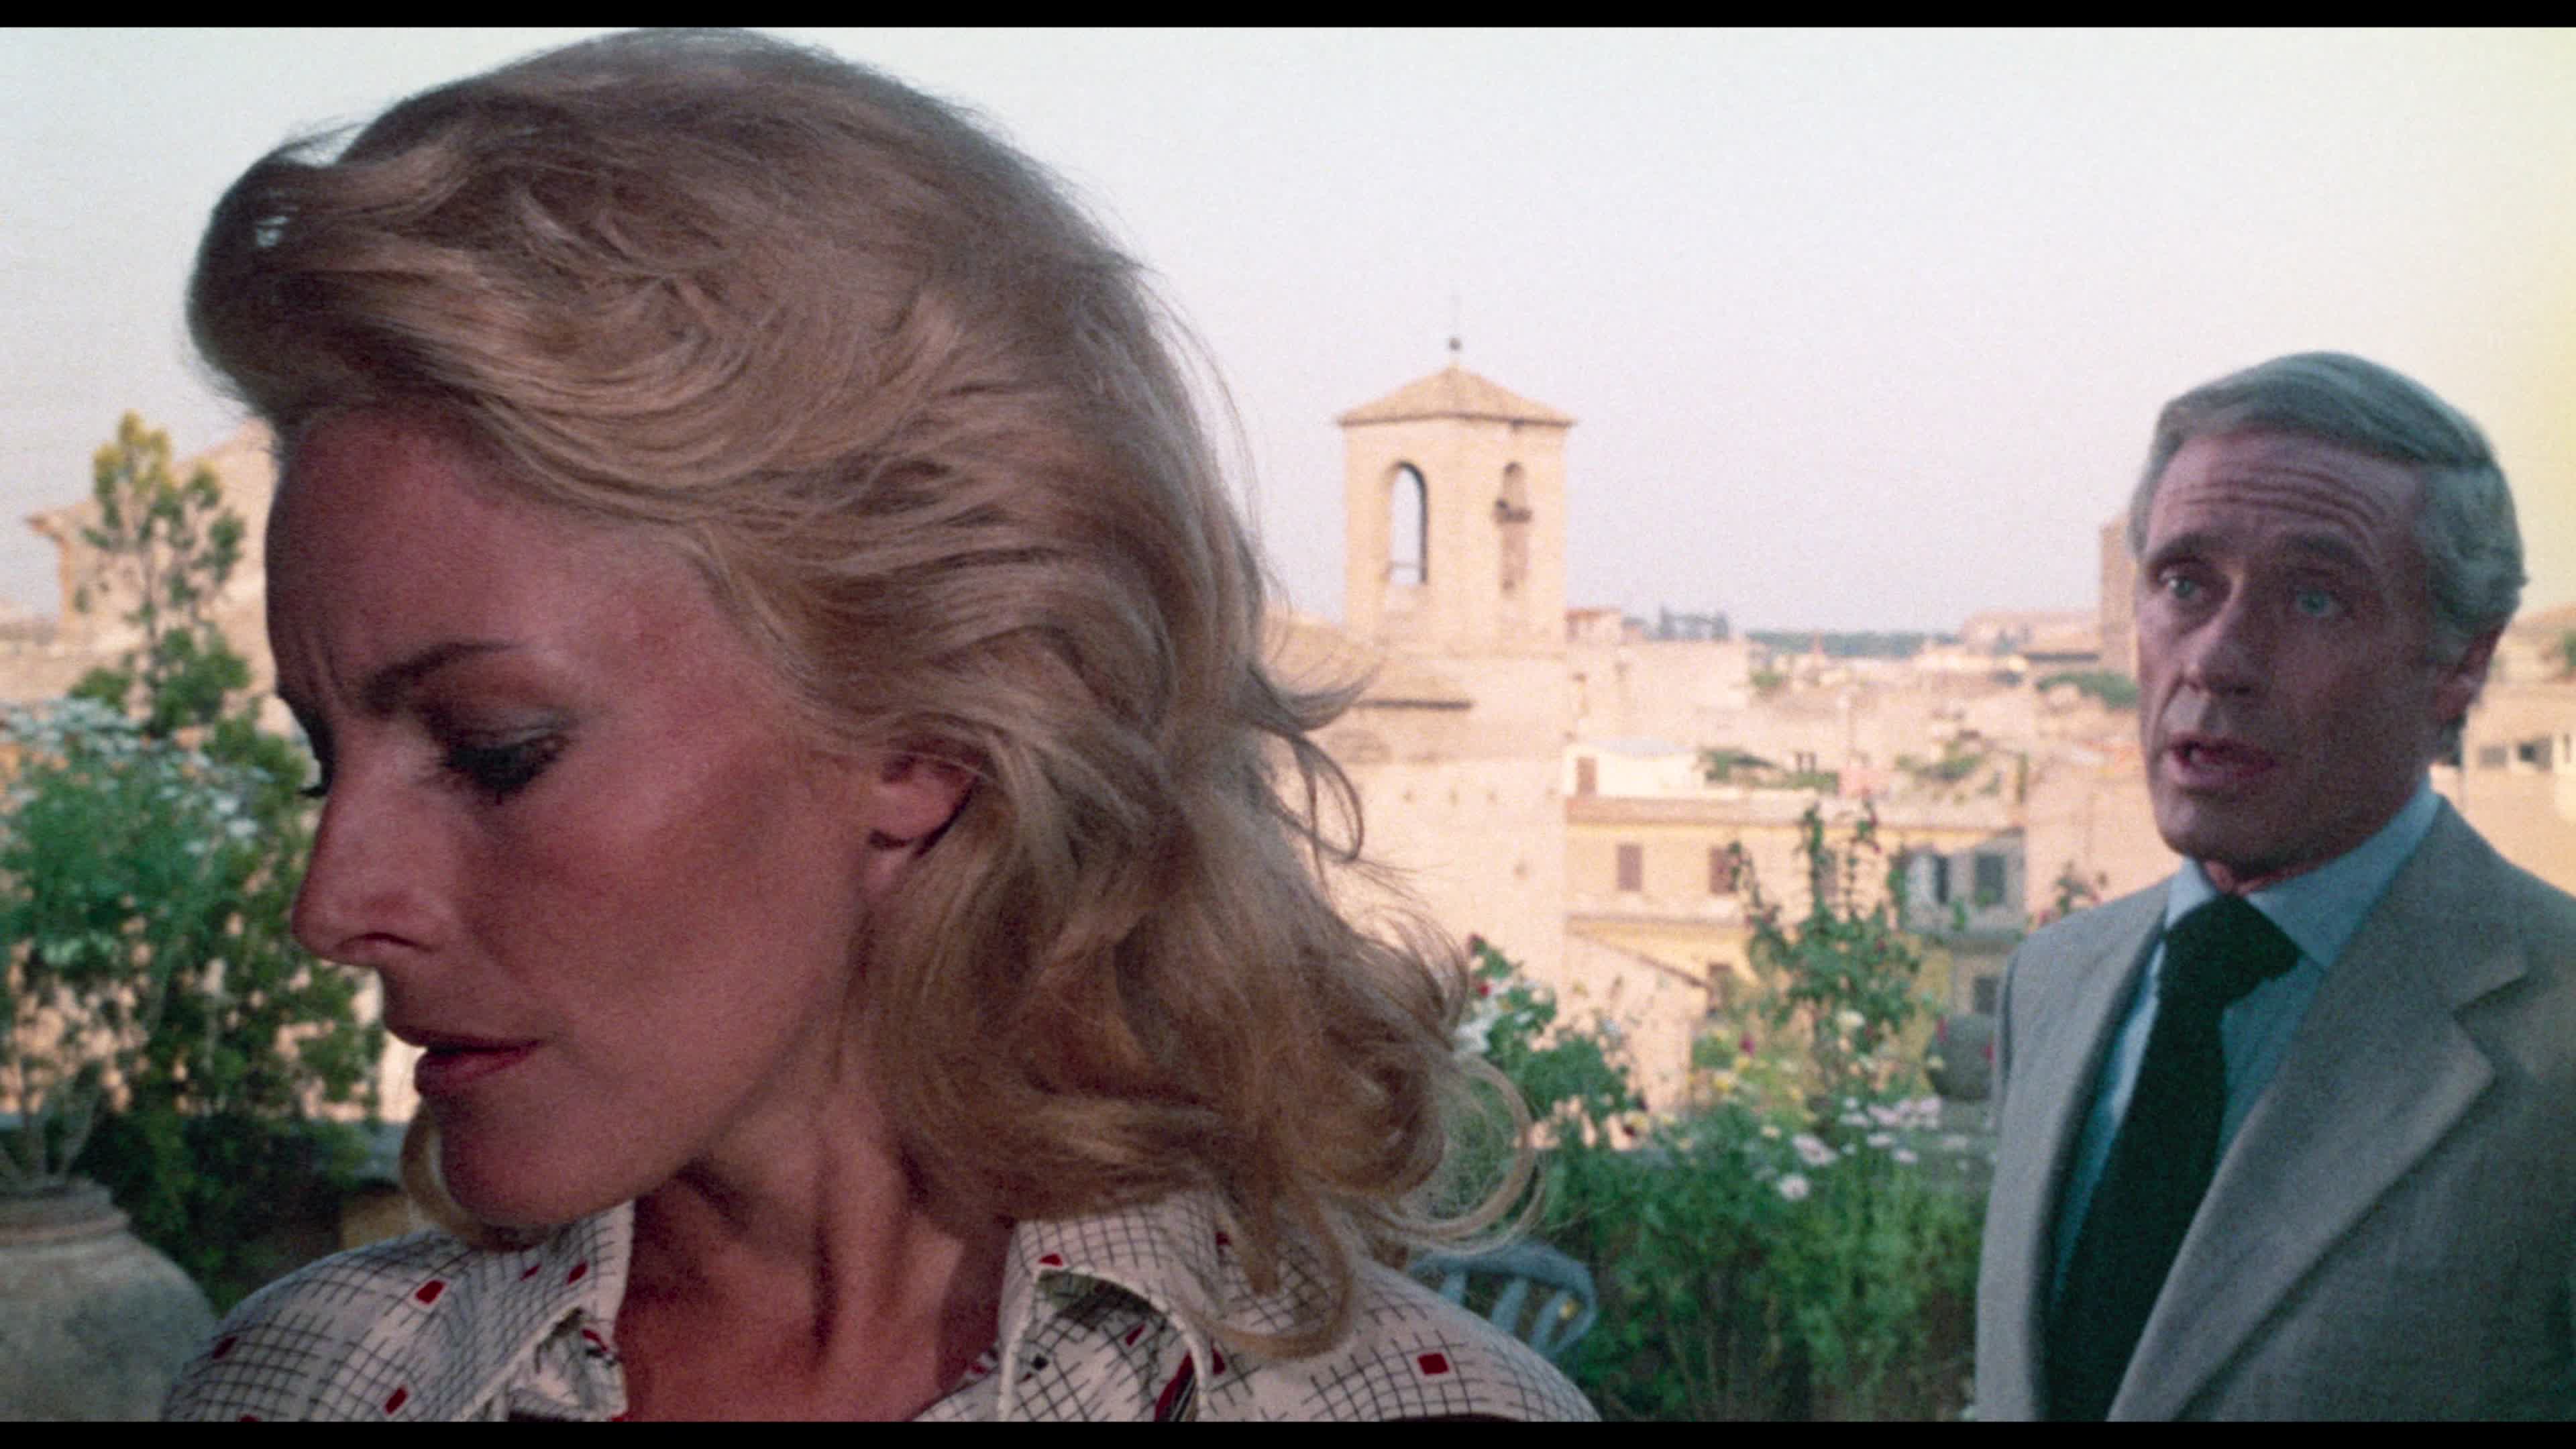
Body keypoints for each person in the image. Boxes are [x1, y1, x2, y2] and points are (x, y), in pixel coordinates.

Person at [162, 30, 1592, 1422]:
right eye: (322, 758)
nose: (331, 905)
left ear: (925, 734)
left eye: (495, 752)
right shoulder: (303, 1382)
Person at [1976, 352, 2576, 1419]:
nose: (2217, 659)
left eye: (2314, 598)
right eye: (2184, 585)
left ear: (2460, 664)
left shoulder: (2553, 1032)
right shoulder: (2052, 982)